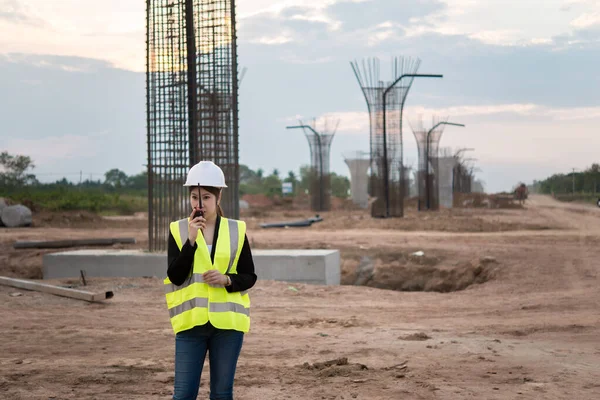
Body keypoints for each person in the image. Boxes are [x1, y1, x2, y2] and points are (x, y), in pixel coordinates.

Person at [164, 160, 257, 400]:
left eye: (205, 197)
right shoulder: (179, 230)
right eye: (194, 197)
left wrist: (227, 280)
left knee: (222, 394)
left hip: (228, 326)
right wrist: (191, 241)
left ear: (218, 197)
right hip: (190, 324)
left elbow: (249, 276)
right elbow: (175, 275)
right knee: (184, 395)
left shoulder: (237, 230)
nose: (199, 204)